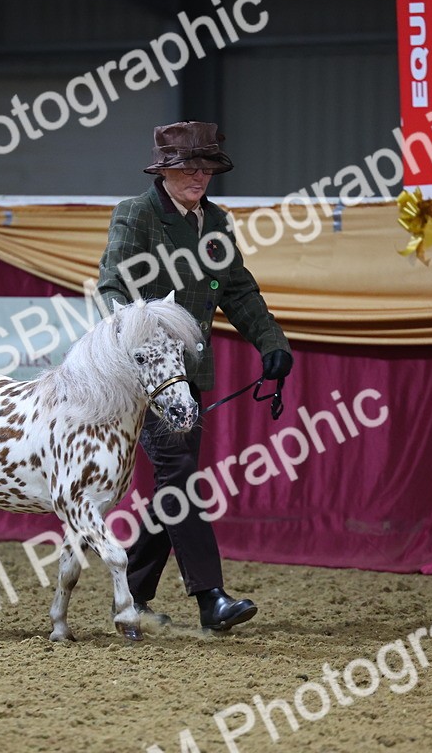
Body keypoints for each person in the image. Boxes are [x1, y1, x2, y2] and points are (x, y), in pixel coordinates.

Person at [96, 120, 293, 631]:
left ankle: (131, 598)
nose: (199, 177)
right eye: (188, 168)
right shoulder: (137, 214)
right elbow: (113, 285)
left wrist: (271, 343)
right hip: (147, 377)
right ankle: (210, 597)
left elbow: (239, 290)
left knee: (173, 486)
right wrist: (137, 340)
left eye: (206, 168)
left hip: (190, 376)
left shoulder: (218, 222)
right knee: (180, 479)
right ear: (163, 171)